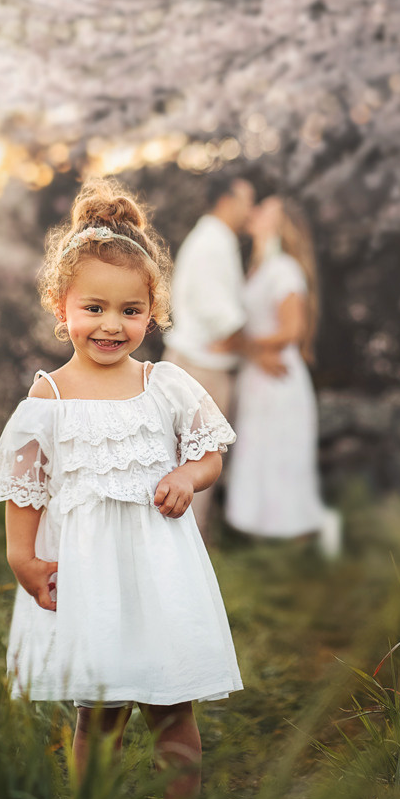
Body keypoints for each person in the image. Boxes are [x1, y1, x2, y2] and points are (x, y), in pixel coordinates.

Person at [0, 179, 242, 799]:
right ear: (60, 306)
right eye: (94, 307)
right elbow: (26, 488)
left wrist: (189, 473)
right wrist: (23, 557)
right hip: (90, 578)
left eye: (131, 311)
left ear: (152, 311)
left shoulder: (165, 385)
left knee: (172, 707)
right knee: (97, 713)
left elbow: (211, 450)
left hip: (160, 574)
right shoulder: (47, 398)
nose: (111, 324)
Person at [223, 196, 342, 556]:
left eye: (265, 210)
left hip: (279, 377)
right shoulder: (258, 267)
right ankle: (264, 539)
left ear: (280, 225)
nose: (254, 212)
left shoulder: (285, 269)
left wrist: (241, 343)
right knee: (258, 454)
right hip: (257, 375)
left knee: (282, 459)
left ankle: (304, 541)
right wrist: (250, 350)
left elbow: (292, 330)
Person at [163, 171, 257, 544]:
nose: (250, 209)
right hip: (202, 367)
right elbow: (220, 314)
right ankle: (192, 547)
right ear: (227, 199)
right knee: (198, 459)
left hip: (203, 362)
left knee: (194, 459)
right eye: (247, 199)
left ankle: (192, 545)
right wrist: (253, 350)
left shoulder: (217, 240)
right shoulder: (212, 243)